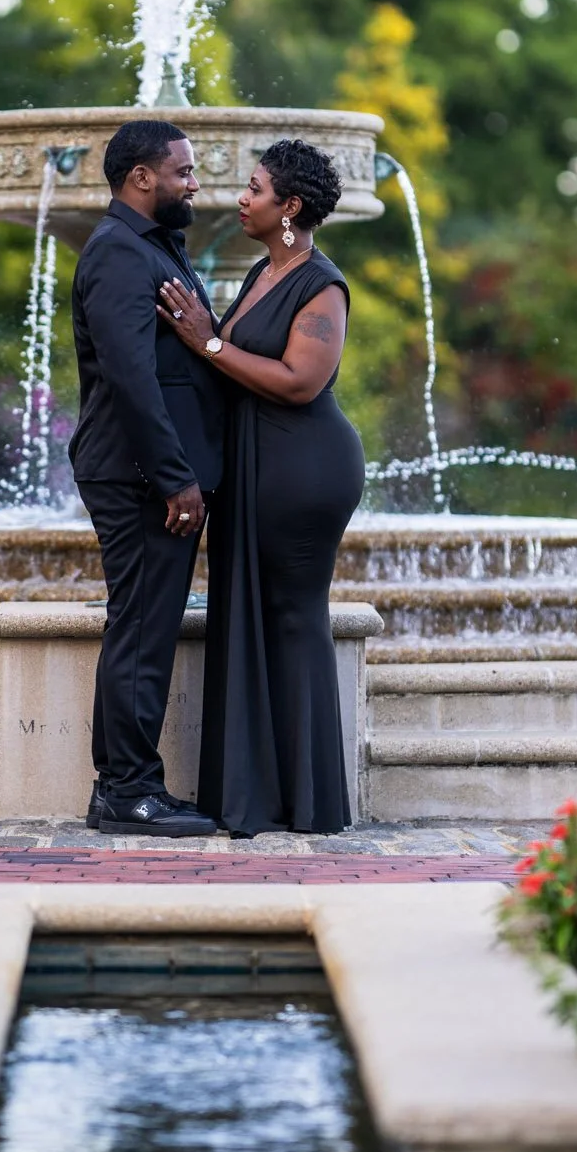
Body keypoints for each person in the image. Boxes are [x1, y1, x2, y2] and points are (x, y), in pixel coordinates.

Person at [156, 138, 365, 836]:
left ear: (289, 207)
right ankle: (258, 794)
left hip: (303, 470)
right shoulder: (260, 273)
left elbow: (300, 381)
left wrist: (205, 343)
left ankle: (311, 803)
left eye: (253, 190)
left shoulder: (321, 284)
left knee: (294, 618)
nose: (240, 200)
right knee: (254, 616)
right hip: (254, 466)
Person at [69, 119, 224, 837]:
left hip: (148, 475)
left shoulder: (148, 247)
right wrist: (173, 479)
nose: (194, 184)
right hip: (137, 478)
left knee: (145, 627)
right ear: (141, 177)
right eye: (183, 172)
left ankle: (128, 785)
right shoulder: (118, 254)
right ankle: (126, 789)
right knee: (139, 628)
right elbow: (132, 380)